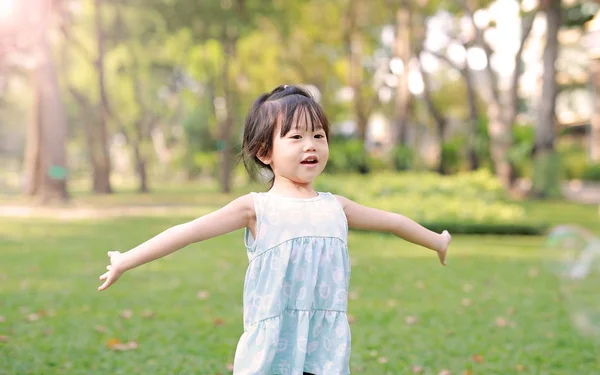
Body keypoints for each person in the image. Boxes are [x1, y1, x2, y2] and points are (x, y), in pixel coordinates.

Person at [97, 85, 452, 375]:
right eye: (295, 136)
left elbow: (393, 222)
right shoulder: (256, 209)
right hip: (272, 347)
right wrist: (126, 259)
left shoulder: (336, 207)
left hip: (323, 344)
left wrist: (437, 241)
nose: (310, 144)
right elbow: (188, 232)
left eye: (318, 135)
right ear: (265, 152)